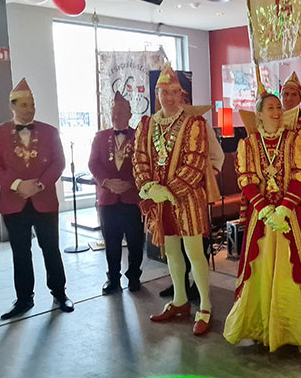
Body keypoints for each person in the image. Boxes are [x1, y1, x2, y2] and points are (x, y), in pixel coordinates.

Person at [223, 86, 301, 356]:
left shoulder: (295, 140)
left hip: (290, 216)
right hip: (262, 216)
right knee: (261, 269)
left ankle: (300, 333)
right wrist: (266, 210)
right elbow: (246, 179)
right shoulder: (248, 144)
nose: (277, 112)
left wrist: (284, 209)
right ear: (259, 114)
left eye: (279, 107)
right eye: (271, 108)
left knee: (294, 271)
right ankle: (260, 327)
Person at [132, 63, 214, 335]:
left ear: (182, 94)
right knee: (171, 252)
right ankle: (179, 300)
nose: (169, 97)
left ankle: (204, 305)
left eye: (174, 92)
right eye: (164, 91)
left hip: (187, 199)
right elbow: (139, 158)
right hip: (160, 200)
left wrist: (168, 190)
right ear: (157, 93)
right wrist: (148, 188)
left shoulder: (193, 123)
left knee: (194, 252)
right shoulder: (147, 124)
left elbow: (194, 161)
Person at [0, 78, 73, 320]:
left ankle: (60, 292)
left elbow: (59, 162)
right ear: (12, 106)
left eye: (32, 104)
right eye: (23, 105)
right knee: (20, 252)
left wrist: (40, 184)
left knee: (51, 249)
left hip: (44, 200)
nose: (29, 109)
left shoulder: (50, 131)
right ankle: (24, 299)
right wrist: (17, 185)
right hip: (13, 203)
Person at [88, 92, 144, 295]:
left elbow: (146, 166)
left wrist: (130, 183)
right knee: (111, 241)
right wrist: (106, 182)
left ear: (129, 114)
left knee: (135, 241)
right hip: (108, 199)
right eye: (113, 113)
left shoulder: (140, 136)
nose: (116, 116)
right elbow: (93, 163)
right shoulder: (100, 137)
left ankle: (134, 276)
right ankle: (113, 278)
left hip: (131, 198)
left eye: (120, 112)